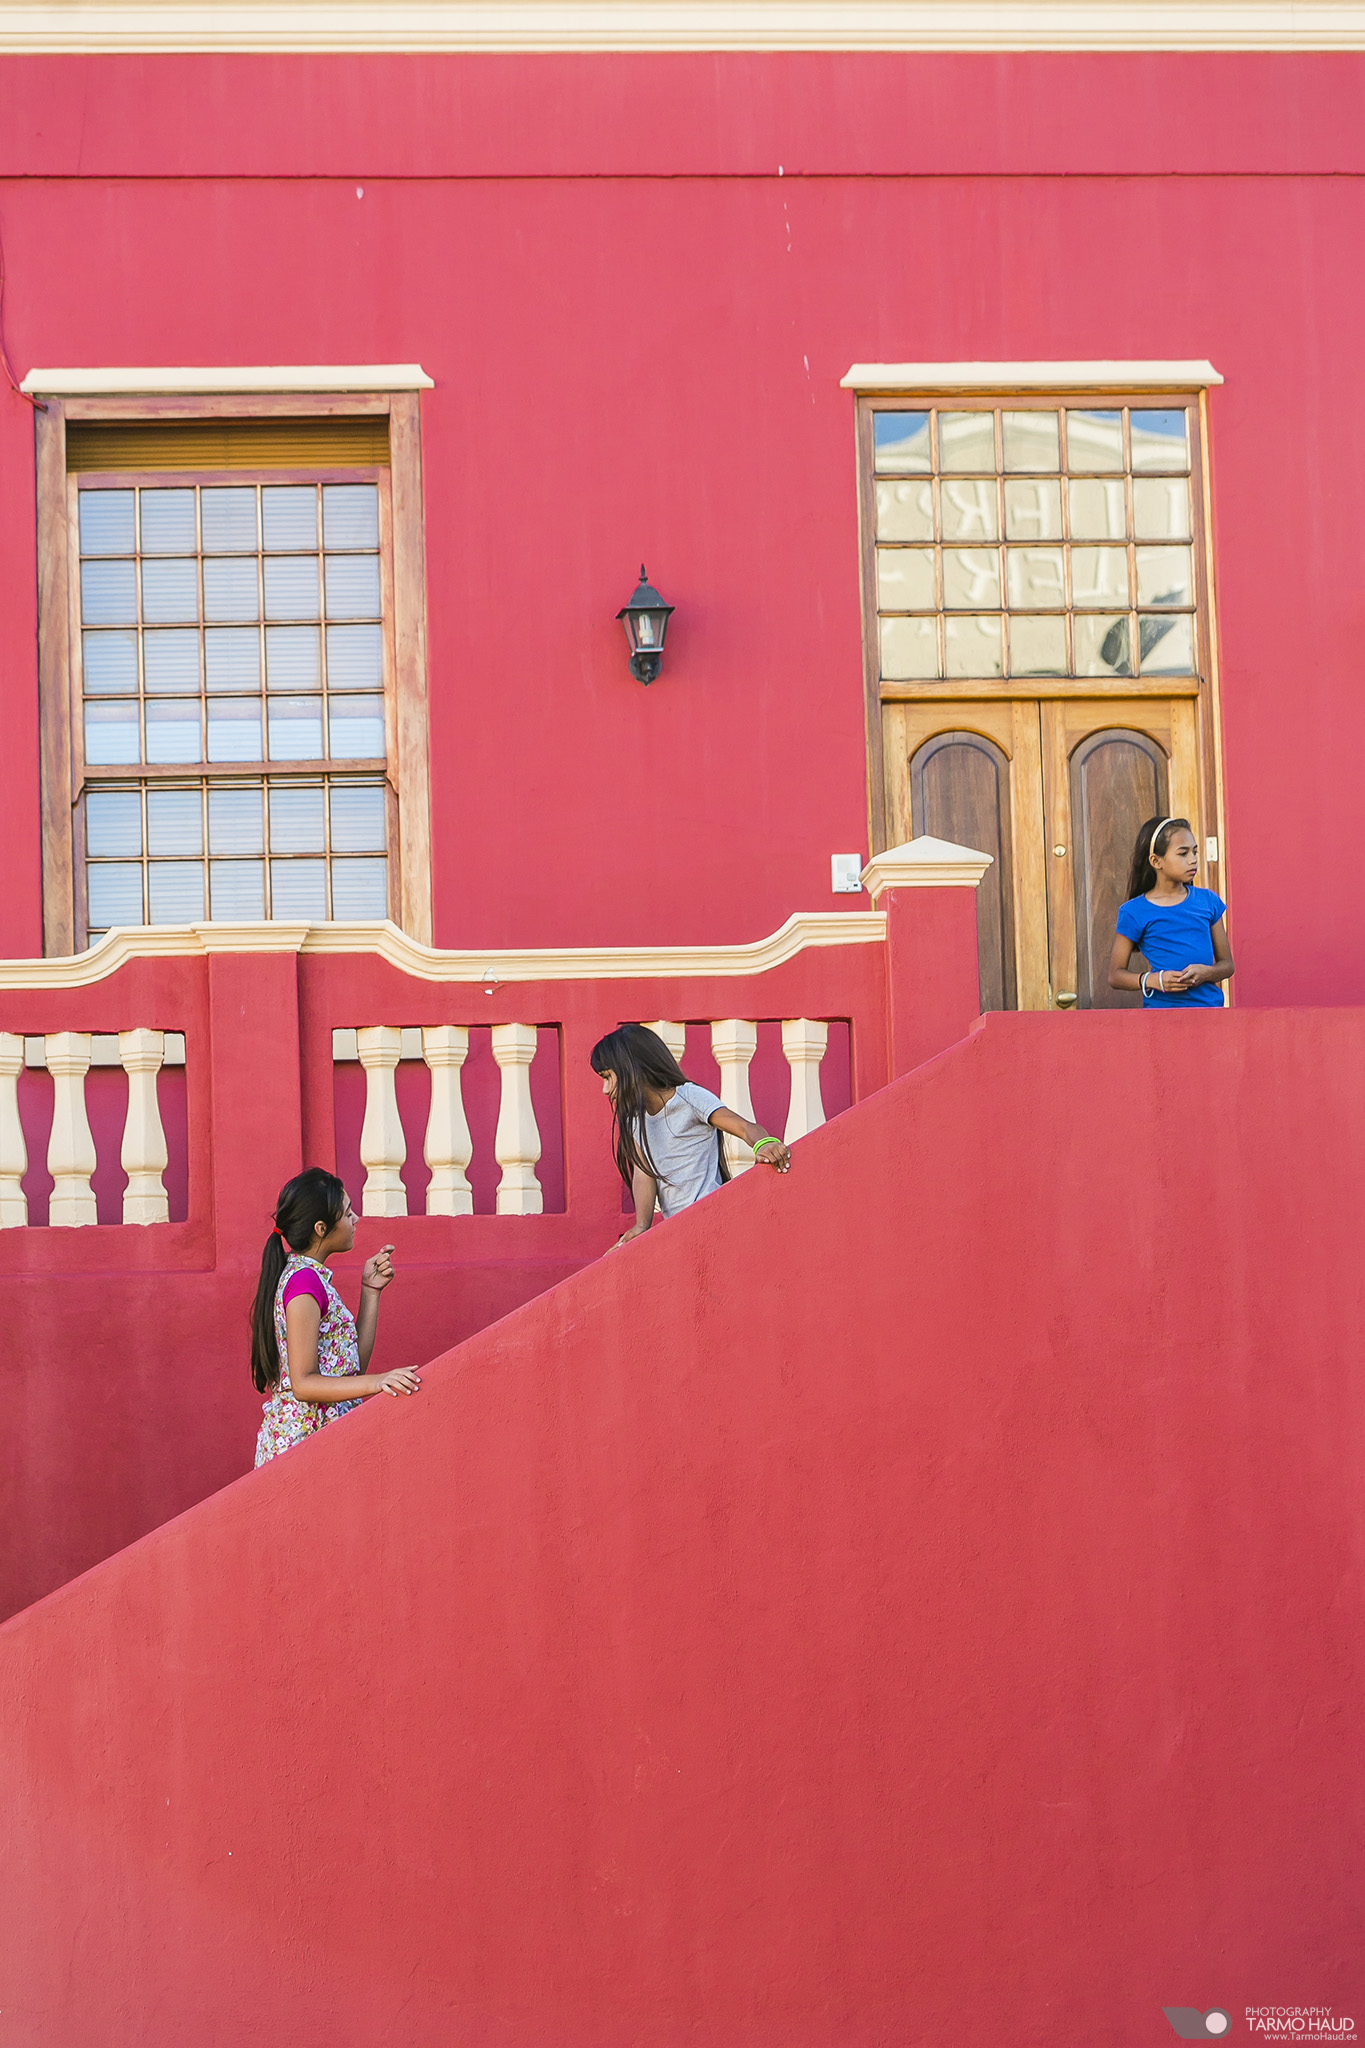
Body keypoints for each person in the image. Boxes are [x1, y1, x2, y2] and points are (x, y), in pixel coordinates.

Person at [250, 1166, 420, 1466]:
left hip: (320, 1445)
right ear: (321, 1228)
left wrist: (370, 1291)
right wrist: (379, 1382)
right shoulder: (303, 1283)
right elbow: (303, 1384)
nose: (355, 1220)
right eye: (347, 1213)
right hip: (300, 1451)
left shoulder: (310, 1278)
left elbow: (350, 1369)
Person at [590, 1023, 792, 1246]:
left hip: (713, 1218)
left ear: (633, 1068)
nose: (605, 1090)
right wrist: (641, 1226)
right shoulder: (635, 1121)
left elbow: (744, 1127)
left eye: (608, 1077)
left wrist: (764, 1143)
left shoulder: (688, 1097)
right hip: (680, 1229)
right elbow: (643, 1173)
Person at [1108, 815, 1235, 1008]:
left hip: (1210, 1013)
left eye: (1195, 852)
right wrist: (1153, 980)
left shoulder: (1208, 901)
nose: (1193, 860)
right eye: (1183, 854)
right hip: (1161, 1017)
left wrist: (1206, 973)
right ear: (1156, 861)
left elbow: (1227, 965)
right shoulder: (1133, 911)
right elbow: (1115, 976)